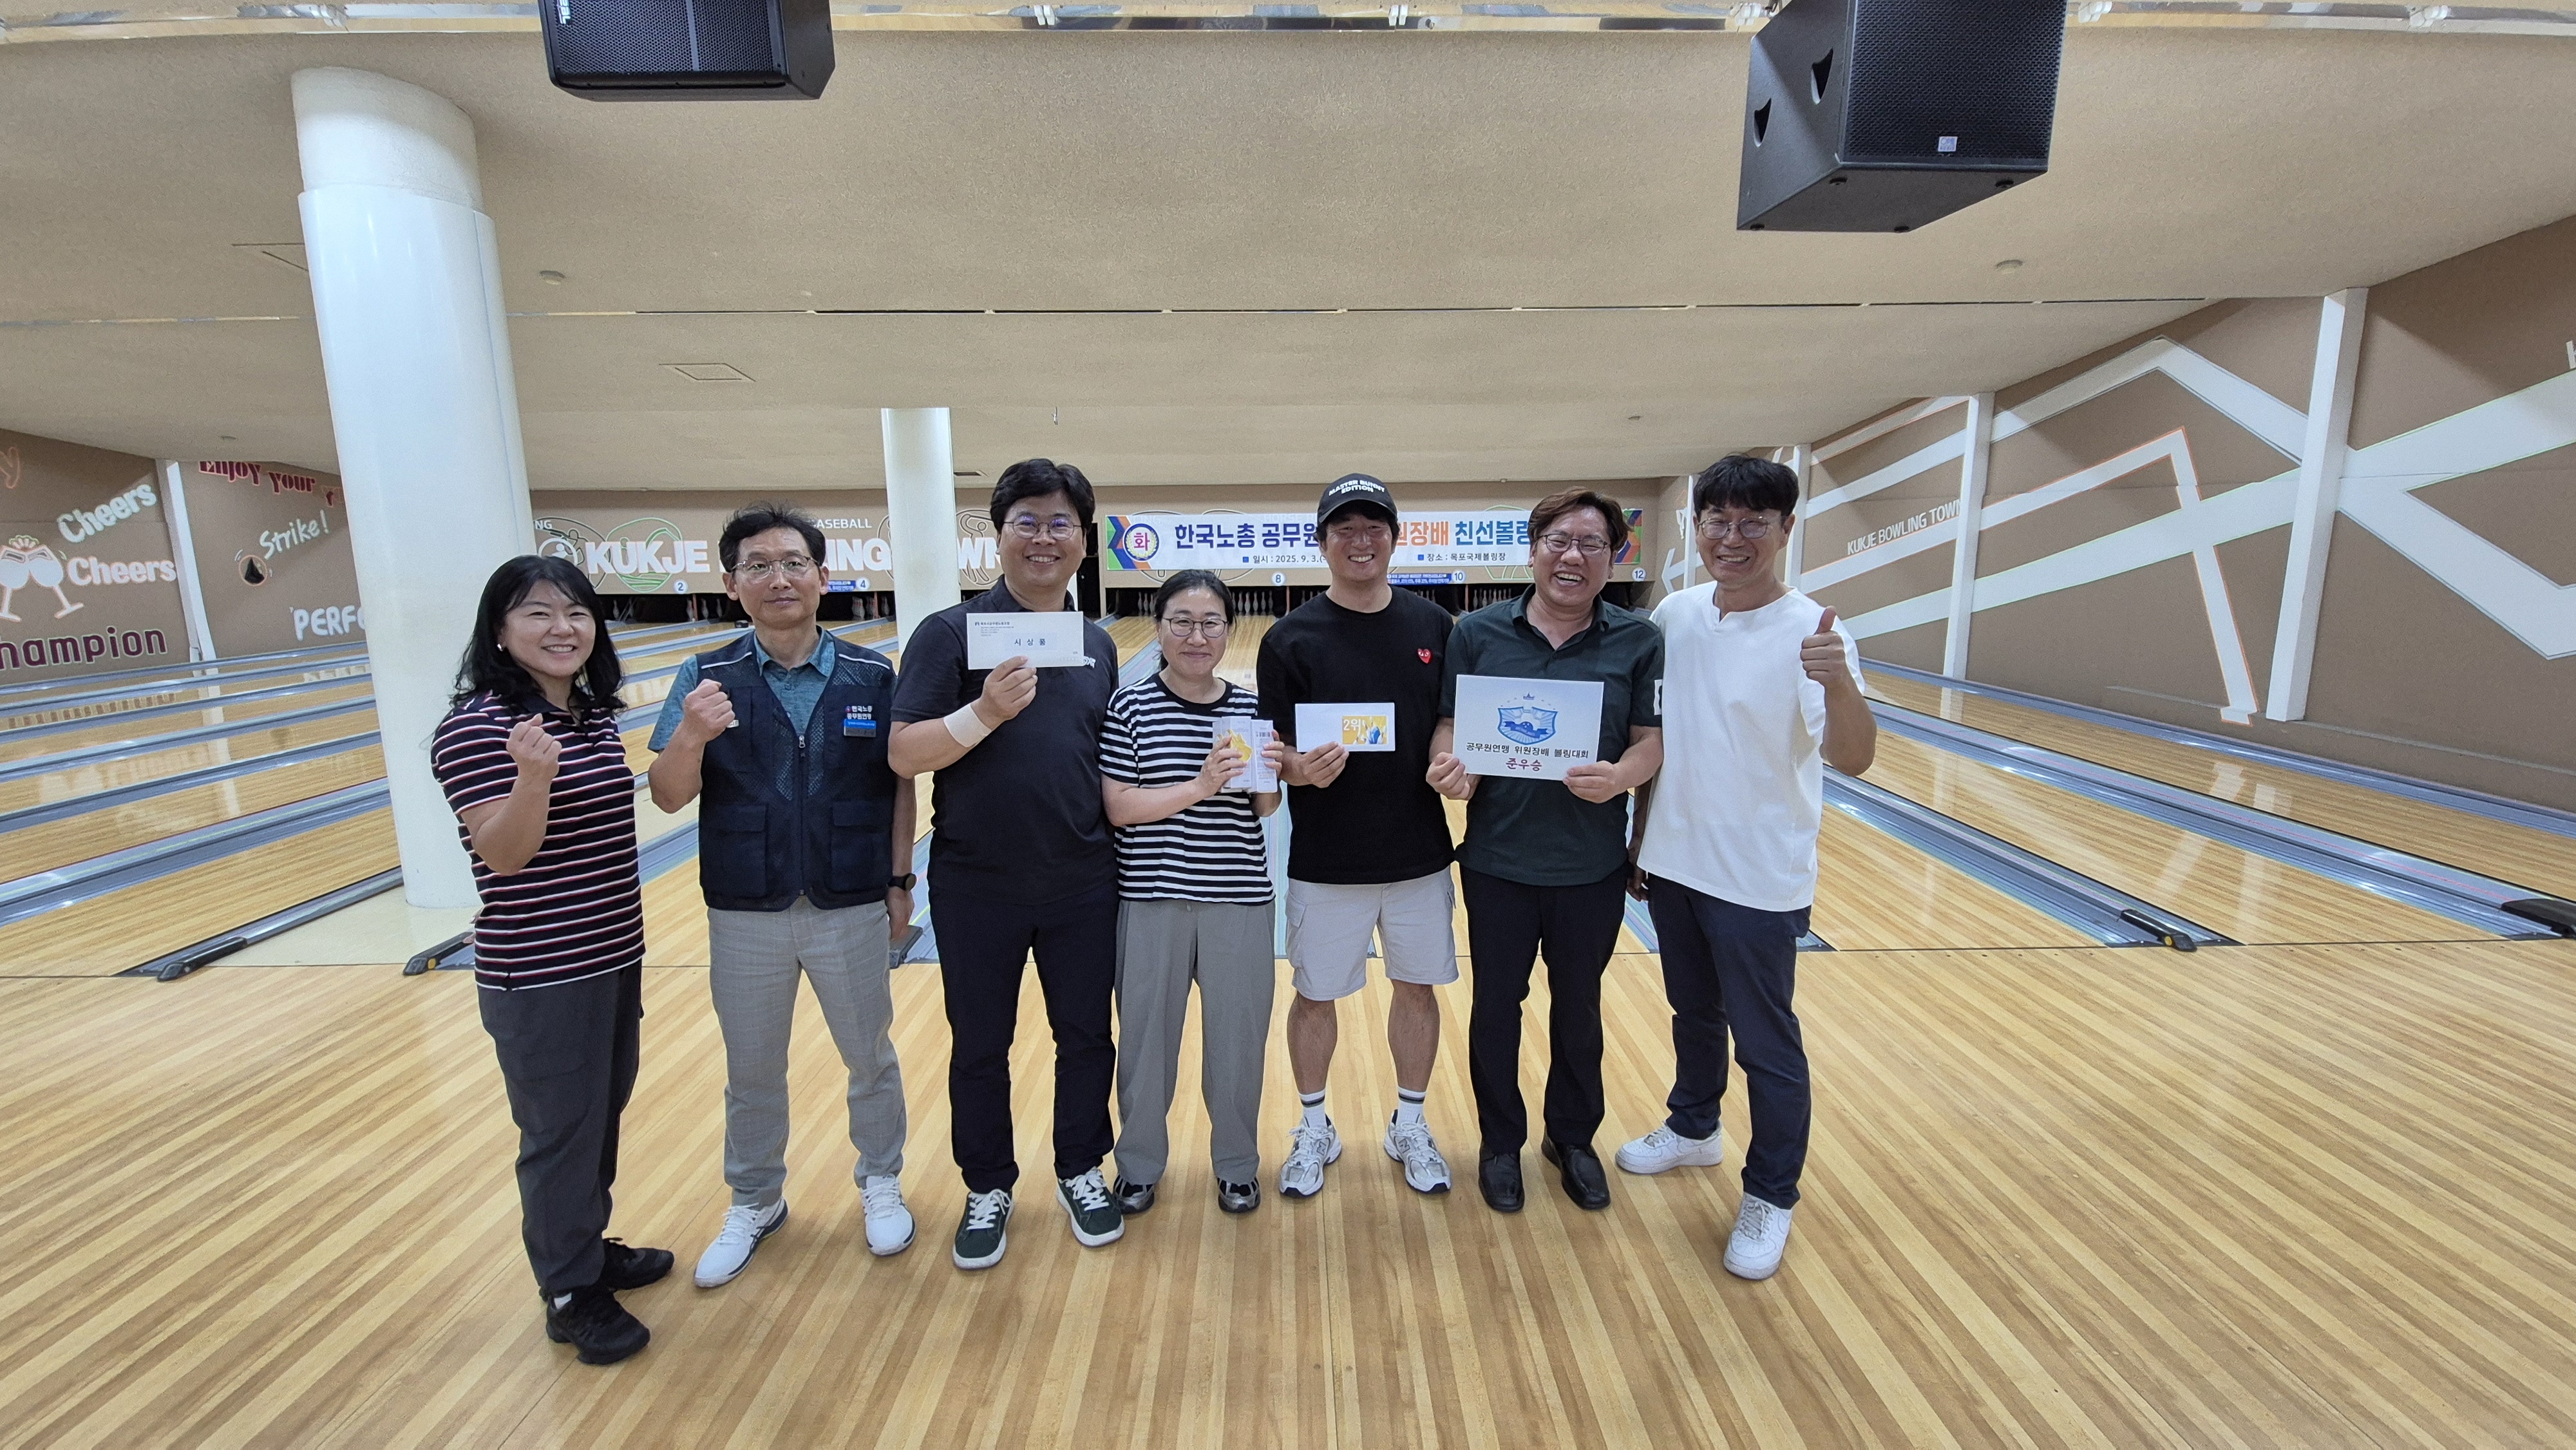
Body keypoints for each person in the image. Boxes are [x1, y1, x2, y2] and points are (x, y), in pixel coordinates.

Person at [647, 503, 920, 1288]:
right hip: (746, 906)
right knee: (753, 1068)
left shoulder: (872, 674)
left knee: (869, 1056)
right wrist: (692, 733)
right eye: (758, 565)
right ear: (731, 583)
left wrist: (900, 881)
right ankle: (755, 1199)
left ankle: (880, 1180)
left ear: (823, 576)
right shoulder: (704, 676)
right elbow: (667, 794)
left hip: (850, 899)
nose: (779, 578)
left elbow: (899, 786)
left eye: (794, 562)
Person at [1622, 453, 1876, 1281]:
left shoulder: (1815, 631)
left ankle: (1770, 1193)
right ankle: (1694, 1125)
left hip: (1758, 877)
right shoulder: (1676, 614)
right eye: (1717, 521)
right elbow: (1659, 735)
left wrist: (1839, 684)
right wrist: (1639, 837)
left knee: (1766, 1043)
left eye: (1752, 523)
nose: (1732, 538)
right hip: (1674, 861)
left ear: (1785, 528)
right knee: (1693, 1013)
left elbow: (1854, 757)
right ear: (1696, 527)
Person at [888, 459, 1124, 1270]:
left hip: (1083, 877)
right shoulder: (949, 633)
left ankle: (1080, 1167)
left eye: (1061, 523)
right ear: (998, 535)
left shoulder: (1096, 643)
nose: (1043, 537)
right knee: (980, 1044)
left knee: (1086, 1036)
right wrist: (983, 710)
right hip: (976, 881)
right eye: (1027, 520)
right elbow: (904, 751)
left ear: (1083, 541)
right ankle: (987, 1183)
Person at [431, 556, 664, 1367]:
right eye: (537, 613)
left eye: (576, 612)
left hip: (612, 952)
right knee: (560, 1131)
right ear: (499, 631)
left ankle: (586, 1248)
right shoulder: (476, 727)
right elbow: (504, 854)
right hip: (539, 969)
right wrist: (532, 779)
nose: (561, 628)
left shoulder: (588, 715)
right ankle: (568, 1290)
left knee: (597, 1115)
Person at [1426, 489, 1663, 1216]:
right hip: (1497, 861)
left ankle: (1572, 1138)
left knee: (1580, 1009)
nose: (1572, 556)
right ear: (1532, 551)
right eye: (1558, 541)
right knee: (1497, 1007)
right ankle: (1500, 1143)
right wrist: (1447, 765)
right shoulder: (1477, 633)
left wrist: (1621, 777)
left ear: (1613, 557)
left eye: (1592, 544)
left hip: (1590, 866)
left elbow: (1650, 740)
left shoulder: (1638, 639)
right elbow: (1449, 723)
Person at [1255, 472, 1459, 1199]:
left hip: (1418, 854)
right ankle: (1315, 1126)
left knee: (1417, 990)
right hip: (1325, 860)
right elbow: (1270, 751)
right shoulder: (1288, 637)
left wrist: (1448, 756)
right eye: (1345, 528)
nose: (1360, 540)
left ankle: (1410, 1123)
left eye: (1374, 527)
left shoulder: (1436, 627)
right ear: (1323, 542)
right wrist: (1298, 770)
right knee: (1314, 996)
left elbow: (1450, 718)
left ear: (1395, 539)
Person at [1101, 570, 1289, 1219]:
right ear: (1158, 628)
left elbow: (1265, 808)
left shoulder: (1250, 710)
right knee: (1145, 1045)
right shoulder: (1129, 706)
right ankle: (1137, 1166)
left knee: (1237, 1045)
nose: (1196, 636)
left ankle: (1237, 1165)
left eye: (1211, 623)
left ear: (1228, 630)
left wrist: (1272, 773)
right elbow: (1120, 807)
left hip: (1238, 898)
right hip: (1152, 897)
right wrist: (1201, 785)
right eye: (1181, 621)